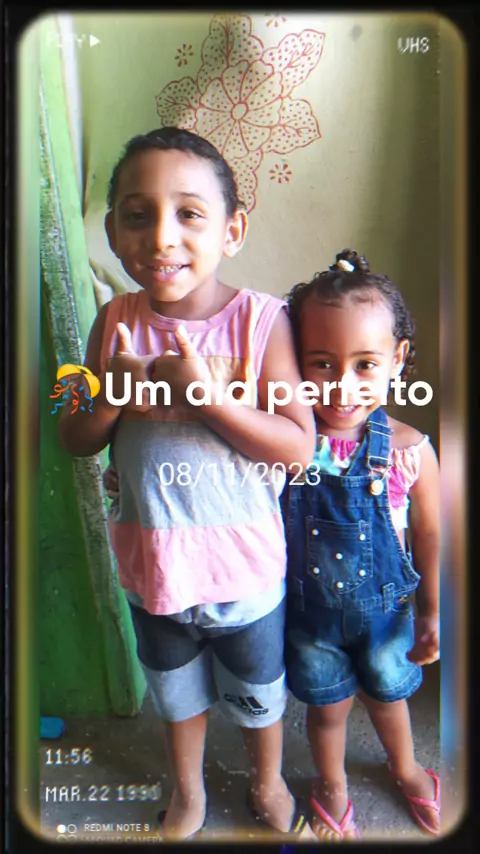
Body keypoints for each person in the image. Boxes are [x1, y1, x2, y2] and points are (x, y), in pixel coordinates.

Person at [58, 127, 316, 841]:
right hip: (153, 568)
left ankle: (267, 781)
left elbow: (299, 447)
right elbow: (73, 435)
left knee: (258, 695)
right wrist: (110, 393)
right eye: (137, 216)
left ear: (232, 230)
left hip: (244, 570)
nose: (161, 237)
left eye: (189, 214)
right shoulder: (112, 323)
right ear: (114, 233)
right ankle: (189, 790)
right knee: (176, 696)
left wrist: (210, 399)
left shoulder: (264, 321)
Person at [281, 249, 440, 840]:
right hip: (309, 618)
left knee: (389, 700)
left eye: (365, 364)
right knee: (327, 710)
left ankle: (406, 768)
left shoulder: (408, 448)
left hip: (386, 617)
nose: (342, 385)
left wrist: (433, 611)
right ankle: (332, 784)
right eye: (321, 364)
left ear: (396, 360)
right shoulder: (283, 445)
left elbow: (429, 533)